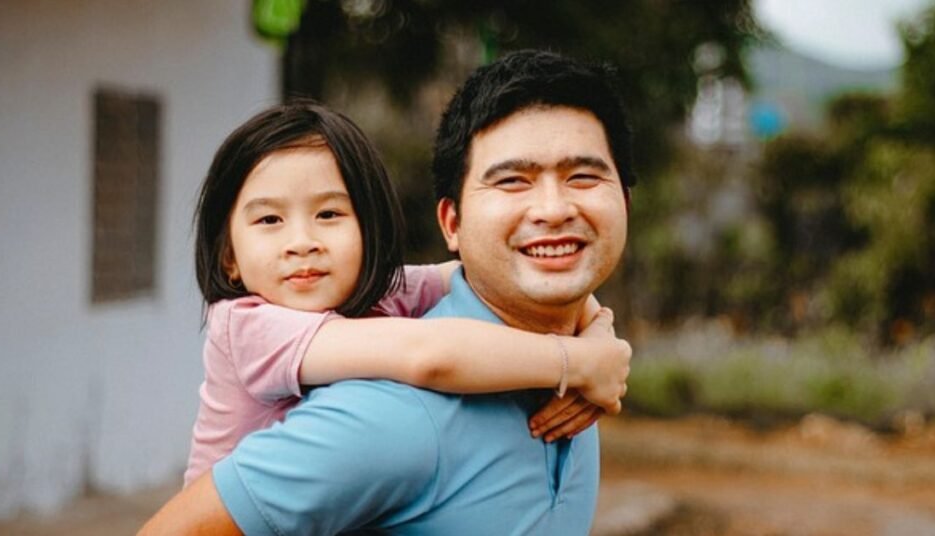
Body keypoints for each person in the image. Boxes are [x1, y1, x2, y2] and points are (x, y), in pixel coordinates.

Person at [141, 49, 635, 534]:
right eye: (269, 220)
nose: (302, 243)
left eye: (583, 176)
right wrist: (577, 360)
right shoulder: (259, 330)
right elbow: (429, 356)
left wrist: (598, 332)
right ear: (452, 221)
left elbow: (510, 270)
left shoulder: (381, 295)